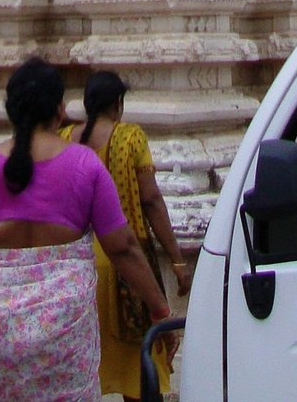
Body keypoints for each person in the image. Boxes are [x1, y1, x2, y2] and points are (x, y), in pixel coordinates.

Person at [0, 57, 170, 402]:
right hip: (65, 328)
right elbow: (123, 247)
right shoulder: (85, 164)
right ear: (59, 109)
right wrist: (160, 310)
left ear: (11, 110)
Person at [75, 70, 191, 400]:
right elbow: (151, 200)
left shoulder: (66, 137)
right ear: (118, 104)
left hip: (79, 267)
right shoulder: (131, 137)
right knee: (141, 371)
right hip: (127, 264)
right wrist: (178, 261)